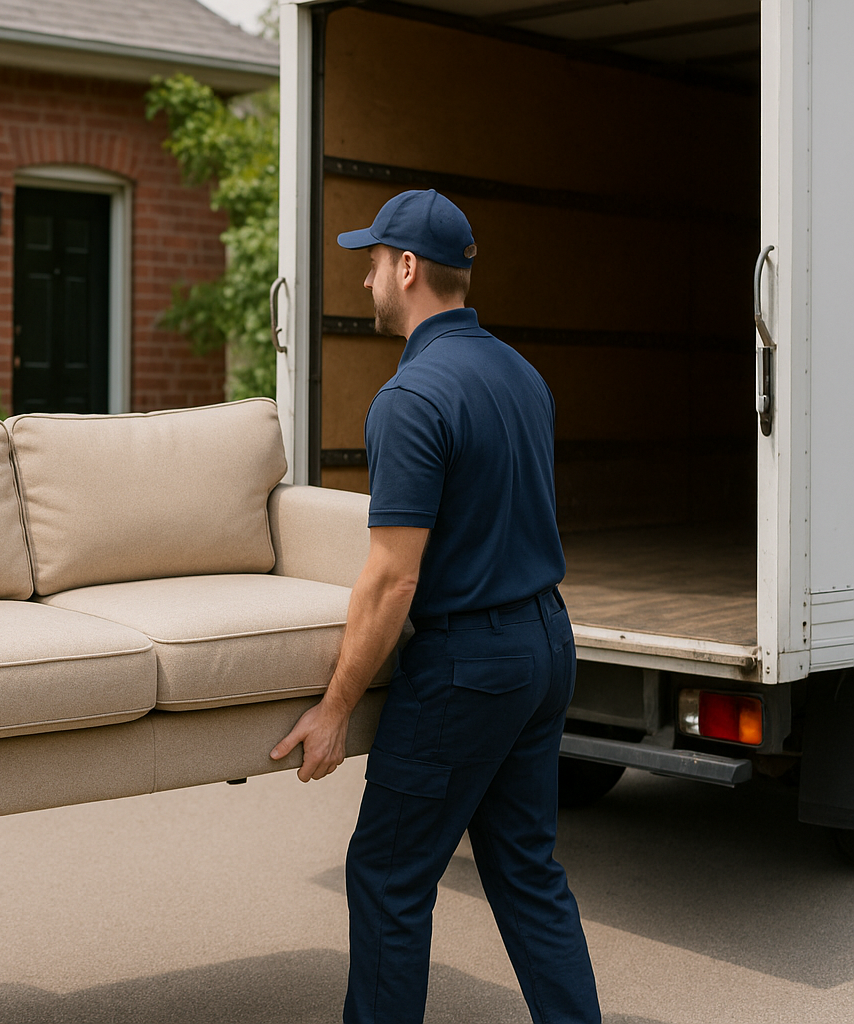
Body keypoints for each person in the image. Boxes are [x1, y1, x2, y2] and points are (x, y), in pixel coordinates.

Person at [270, 190, 601, 1023]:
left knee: (387, 875)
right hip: (546, 646)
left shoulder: (411, 399)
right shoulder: (521, 375)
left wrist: (335, 708)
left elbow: (392, 578)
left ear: (408, 268)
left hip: (469, 668)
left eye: (374, 263)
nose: (367, 281)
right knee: (527, 872)